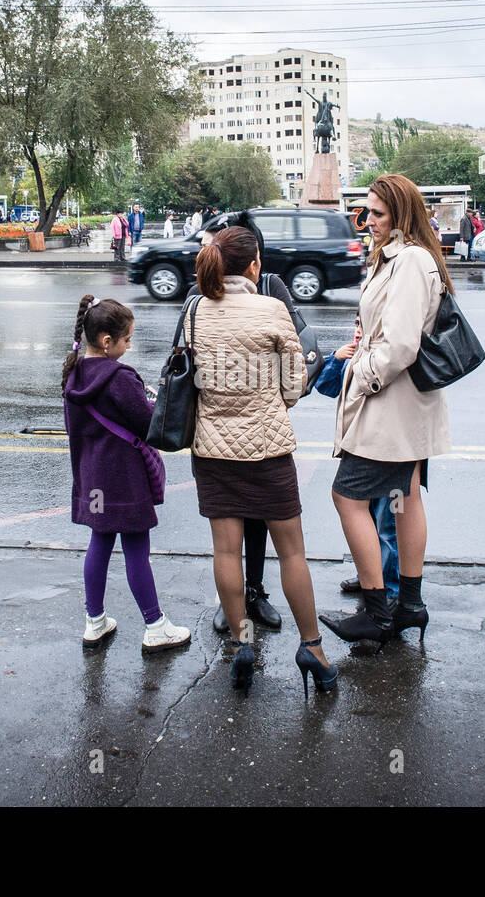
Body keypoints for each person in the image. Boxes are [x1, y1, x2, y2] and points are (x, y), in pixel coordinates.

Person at [187, 224, 336, 696]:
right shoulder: (272, 308)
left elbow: (191, 377)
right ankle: (311, 648)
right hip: (268, 449)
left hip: (213, 450)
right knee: (291, 550)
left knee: (226, 550)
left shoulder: (196, 311)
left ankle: (241, 642)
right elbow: (294, 388)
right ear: (253, 266)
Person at [321, 174, 453, 647]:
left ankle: (378, 612)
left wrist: (361, 376)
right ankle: (409, 606)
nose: (367, 221)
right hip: (403, 407)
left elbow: (400, 345)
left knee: (347, 496)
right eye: (366, 212)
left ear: (401, 214)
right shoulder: (399, 257)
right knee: (407, 496)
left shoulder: (411, 260)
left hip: (390, 405)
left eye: (377, 213)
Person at [63, 294, 192, 652]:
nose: (130, 345)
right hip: (124, 476)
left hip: (93, 477)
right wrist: (154, 400)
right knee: (137, 547)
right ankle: (155, 625)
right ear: (107, 342)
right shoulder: (119, 377)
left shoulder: (73, 373)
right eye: (127, 339)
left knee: (99, 543)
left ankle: (95, 621)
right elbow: (148, 422)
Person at [185, 211, 289, 637]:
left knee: (250, 529)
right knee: (246, 538)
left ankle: (252, 600)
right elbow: (187, 361)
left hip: (236, 438)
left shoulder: (273, 291)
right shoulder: (198, 302)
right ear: (251, 260)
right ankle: (239, 612)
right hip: (252, 438)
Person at [314, 322, 400, 601]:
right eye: (356, 324)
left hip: (386, 450)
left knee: (387, 523)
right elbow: (326, 388)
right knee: (365, 518)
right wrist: (335, 359)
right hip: (358, 449)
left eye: (365, 325)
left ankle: (388, 587)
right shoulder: (352, 354)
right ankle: (370, 577)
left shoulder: (385, 357)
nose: (359, 331)